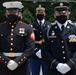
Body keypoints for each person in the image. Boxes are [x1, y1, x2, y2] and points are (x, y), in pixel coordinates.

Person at [0, 1, 35, 75]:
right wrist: (6, 61)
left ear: (19, 13)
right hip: (2, 65)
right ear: (6, 14)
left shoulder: (27, 28)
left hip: (22, 65)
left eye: (14, 12)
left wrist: (17, 62)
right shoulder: (1, 27)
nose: (11, 14)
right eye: (9, 12)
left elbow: (30, 48)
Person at [42, 2, 76, 75]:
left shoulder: (74, 29)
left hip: (72, 69)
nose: (62, 14)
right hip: (54, 70)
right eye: (59, 12)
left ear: (68, 13)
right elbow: (44, 51)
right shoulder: (48, 30)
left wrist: (70, 64)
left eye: (64, 12)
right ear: (55, 15)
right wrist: (56, 64)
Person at [30, 4, 51, 75]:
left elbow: (51, 41)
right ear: (36, 13)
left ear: (44, 13)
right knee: (34, 73)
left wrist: (43, 51)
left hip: (46, 55)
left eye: (41, 12)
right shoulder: (31, 26)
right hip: (34, 54)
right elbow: (30, 41)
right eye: (38, 12)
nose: (40, 13)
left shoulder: (50, 26)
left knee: (47, 73)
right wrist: (36, 51)